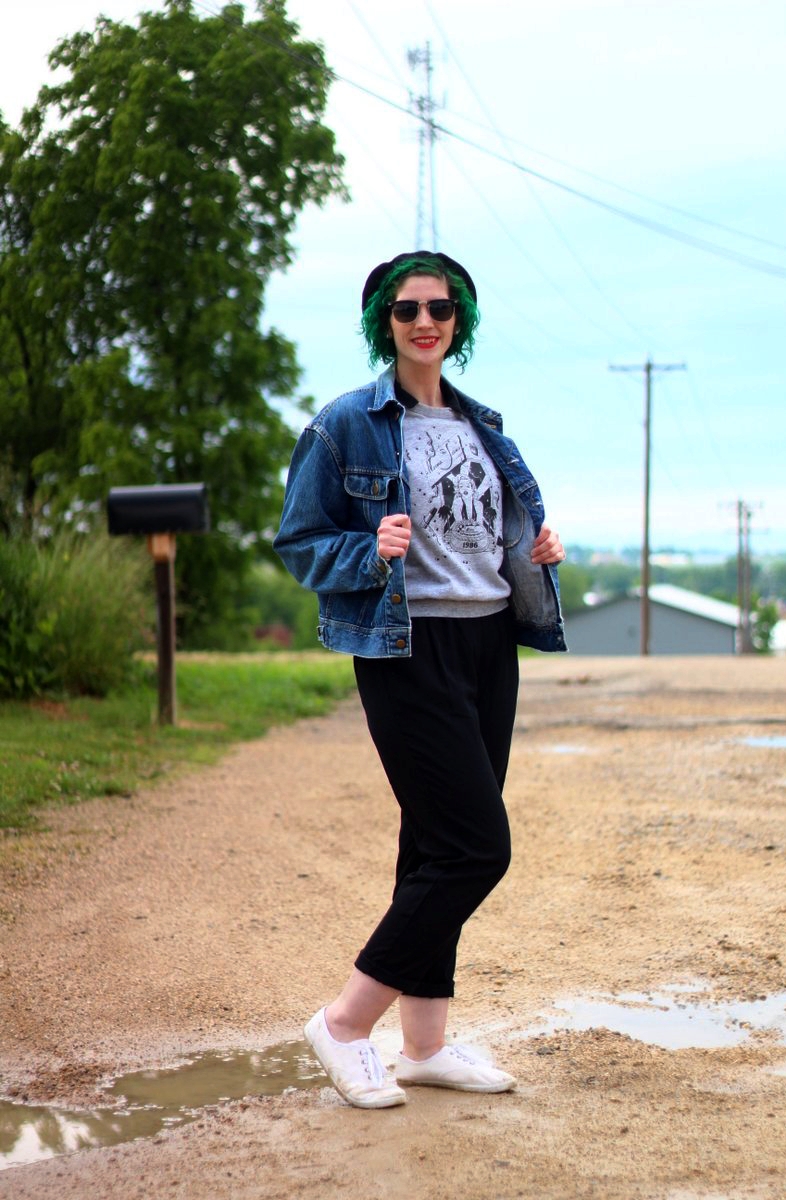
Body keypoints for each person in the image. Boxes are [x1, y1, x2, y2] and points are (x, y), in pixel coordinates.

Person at [274, 250, 567, 1109]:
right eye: (407, 310)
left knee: (437, 846)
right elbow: (298, 543)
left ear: (460, 318)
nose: (426, 321)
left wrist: (536, 548)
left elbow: (490, 534)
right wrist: (369, 551)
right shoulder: (347, 425)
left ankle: (425, 1044)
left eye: (442, 307)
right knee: (480, 847)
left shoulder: (485, 424)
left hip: (489, 645)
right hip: (406, 648)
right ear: (384, 322)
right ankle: (344, 1022)